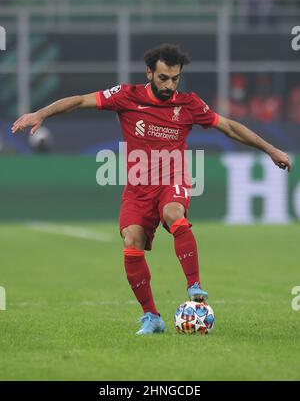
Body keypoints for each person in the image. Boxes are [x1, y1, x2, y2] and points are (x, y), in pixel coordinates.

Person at [11, 44, 291, 335]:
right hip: (138, 188)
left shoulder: (189, 104)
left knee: (174, 213)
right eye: (163, 78)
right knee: (131, 241)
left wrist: (270, 150)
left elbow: (230, 127)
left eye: (175, 79)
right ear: (149, 73)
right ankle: (152, 317)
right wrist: (41, 114)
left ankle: (194, 284)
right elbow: (81, 101)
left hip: (174, 178)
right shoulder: (126, 96)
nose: (170, 85)